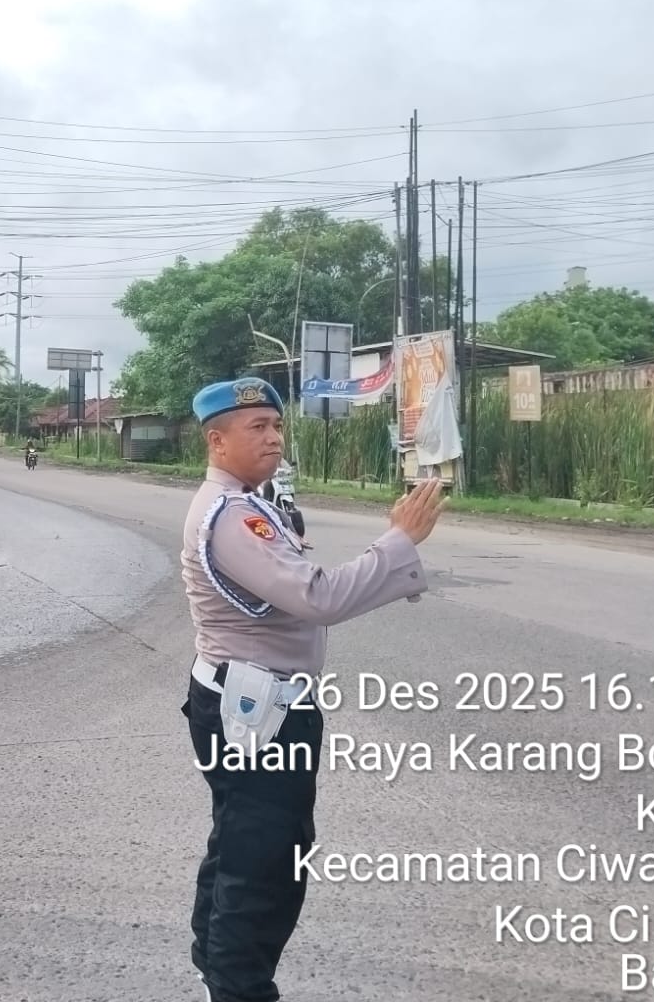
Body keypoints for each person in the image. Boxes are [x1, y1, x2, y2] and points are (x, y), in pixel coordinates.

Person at [180, 377, 445, 1001]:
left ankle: (218, 967)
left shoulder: (247, 502)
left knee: (242, 841)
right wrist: (399, 541)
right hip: (258, 714)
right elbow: (317, 597)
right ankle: (237, 986)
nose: (274, 438)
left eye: (276, 426)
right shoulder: (233, 516)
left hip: (248, 701)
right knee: (266, 860)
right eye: (257, 428)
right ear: (217, 442)